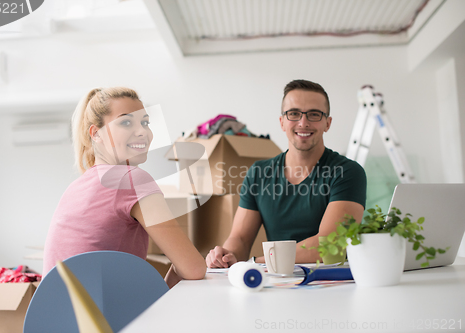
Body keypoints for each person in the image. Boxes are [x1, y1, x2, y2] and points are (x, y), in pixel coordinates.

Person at [43, 87, 206, 287]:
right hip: (104, 315)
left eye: (145, 122)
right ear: (96, 134)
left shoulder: (75, 187)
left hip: (61, 316)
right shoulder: (131, 179)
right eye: (126, 122)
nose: (142, 132)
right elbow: (194, 268)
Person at [206, 79, 367, 268]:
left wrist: (256, 262)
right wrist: (226, 256)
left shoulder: (348, 172)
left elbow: (329, 245)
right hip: (277, 280)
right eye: (294, 114)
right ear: (282, 122)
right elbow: (240, 239)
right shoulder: (258, 173)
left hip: (331, 283)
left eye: (314, 114)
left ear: (327, 123)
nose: (303, 122)